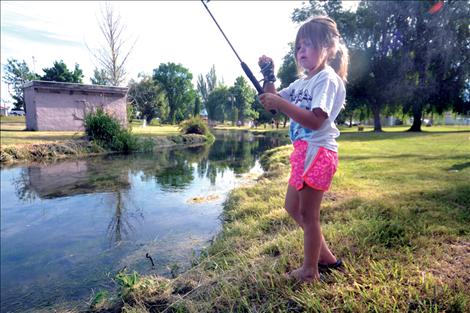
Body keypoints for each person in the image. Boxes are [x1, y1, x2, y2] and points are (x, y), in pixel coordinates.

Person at [258, 15, 349, 283]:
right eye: (298, 47)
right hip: (303, 153)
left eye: (307, 45)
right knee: (291, 207)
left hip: (319, 152)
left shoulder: (326, 80)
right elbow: (272, 103)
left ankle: (310, 271)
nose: (301, 52)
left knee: (309, 214)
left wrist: (281, 104)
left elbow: (315, 120)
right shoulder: (301, 83)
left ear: (327, 48)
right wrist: (268, 76)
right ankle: (327, 258)